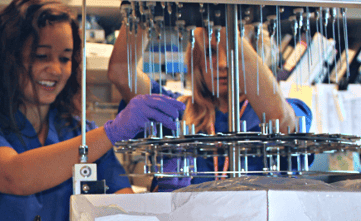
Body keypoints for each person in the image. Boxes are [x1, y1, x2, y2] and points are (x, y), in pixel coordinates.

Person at [0, 0, 185, 220]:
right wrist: (112, 132)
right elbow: (14, 175)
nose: (56, 70)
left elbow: (123, 208)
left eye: (65, 58)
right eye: (41, 55)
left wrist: (164, 194)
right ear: (8, 59)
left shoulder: (80, 131)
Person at [107, 24, 313, 192]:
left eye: (233, 50)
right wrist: (139, 11)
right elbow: (121, 73)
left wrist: (224, 21)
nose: (223, 63)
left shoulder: (289, 109)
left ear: (256, 58)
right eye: (210, 52)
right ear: (196, 60)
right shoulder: (177, 111)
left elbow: (282, 124)